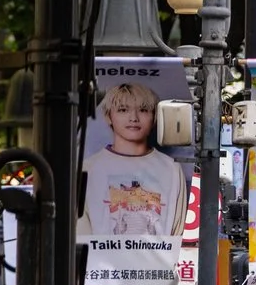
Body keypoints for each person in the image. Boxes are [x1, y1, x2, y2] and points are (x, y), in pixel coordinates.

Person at [80, 79, 190, 241]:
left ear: (154, 117)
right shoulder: (89, 167)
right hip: (102, 265)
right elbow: (81, 234)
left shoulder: (171, 168)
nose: (133, 118)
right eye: (123, 110)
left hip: (158, 265)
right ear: (108, 116)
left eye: (144, 110)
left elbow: (177, 233)